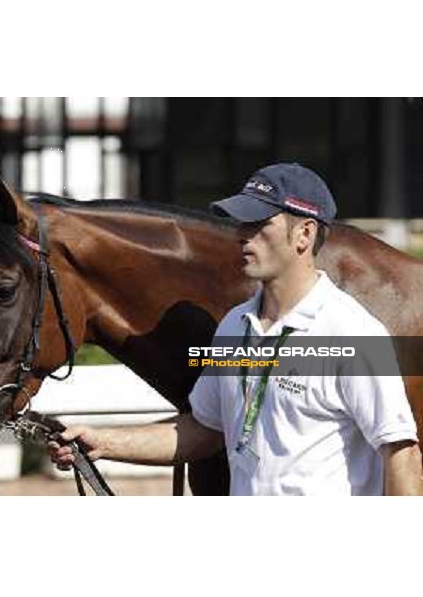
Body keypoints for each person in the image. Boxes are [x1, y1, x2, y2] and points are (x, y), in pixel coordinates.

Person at [49, 163, 423, 496]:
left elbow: (401, 455)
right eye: (242, 223)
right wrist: (102, 441)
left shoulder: (353, 333)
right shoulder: (233, 326)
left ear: (304, 235)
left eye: (259, 224)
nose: (242, 235)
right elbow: (201, 431)